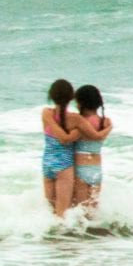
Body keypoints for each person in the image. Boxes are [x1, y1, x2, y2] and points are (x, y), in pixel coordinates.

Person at [69, 84, 112, 217]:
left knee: (80, 211)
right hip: (96, 169)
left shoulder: (80, 122)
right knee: (92, 212)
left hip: (81, 168)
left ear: (82, 103)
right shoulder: (105, 122)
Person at [38, 78, 77, 216]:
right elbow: (66, 139)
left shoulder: (46, 113)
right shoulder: (75, 119)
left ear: (51, 95)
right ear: (71, 97)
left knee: (51, 211)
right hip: (63, 165)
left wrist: (50, 120)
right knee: (62, 214)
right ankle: (61, 238)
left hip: (47, 163)